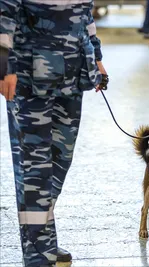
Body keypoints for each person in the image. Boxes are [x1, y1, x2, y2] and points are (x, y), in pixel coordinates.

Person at [0, 1, 107, 266]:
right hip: (30, 73)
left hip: (73, 72)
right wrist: (4, 65)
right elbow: (4, 11)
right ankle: (38, 255)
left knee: (61, 157)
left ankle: (43, 239)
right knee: (34, 167)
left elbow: (85, 11)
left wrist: (96, 56)